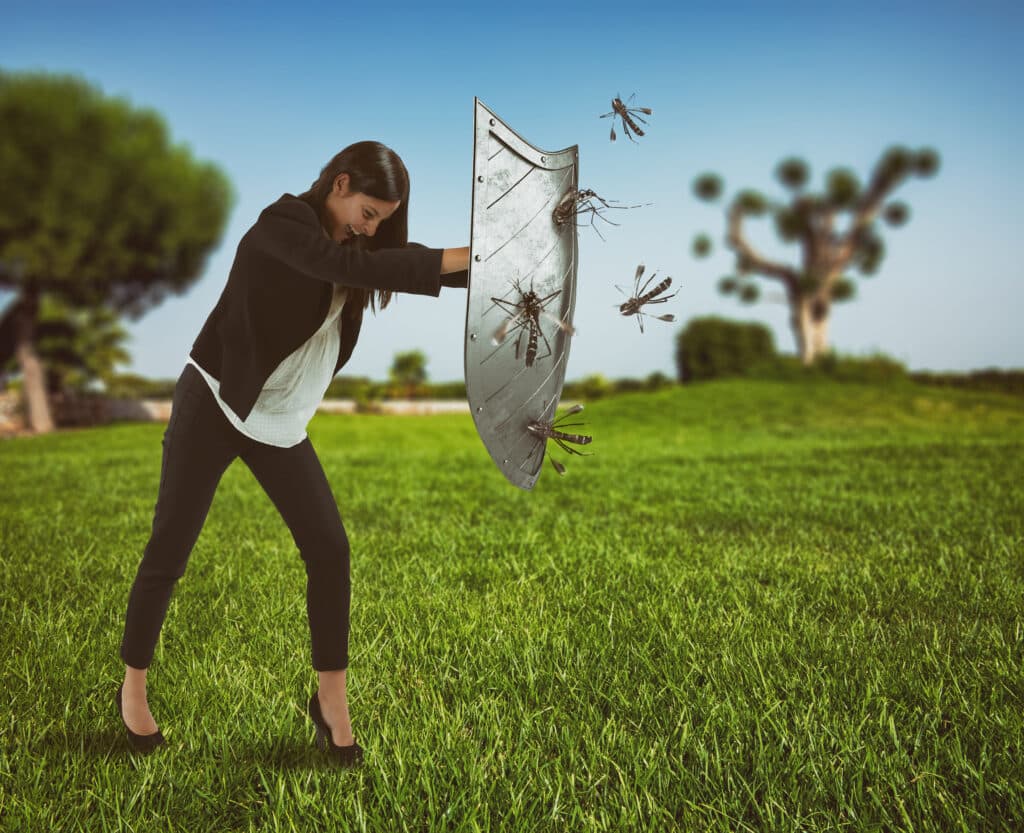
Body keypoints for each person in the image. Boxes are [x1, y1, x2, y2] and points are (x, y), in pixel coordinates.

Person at [115, 141, 470, 765]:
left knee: (329, 548)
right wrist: (458, 255)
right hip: (217, 401)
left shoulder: (362, 248)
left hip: (279, 420)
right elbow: (362, 270)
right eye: (368, 212)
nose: (372, 228)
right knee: (170, 549)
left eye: (382, 221)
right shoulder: (283, 224)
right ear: (339, 184)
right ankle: (133, 690)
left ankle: (330, 702)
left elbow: (403, 266)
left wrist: (508, 266)